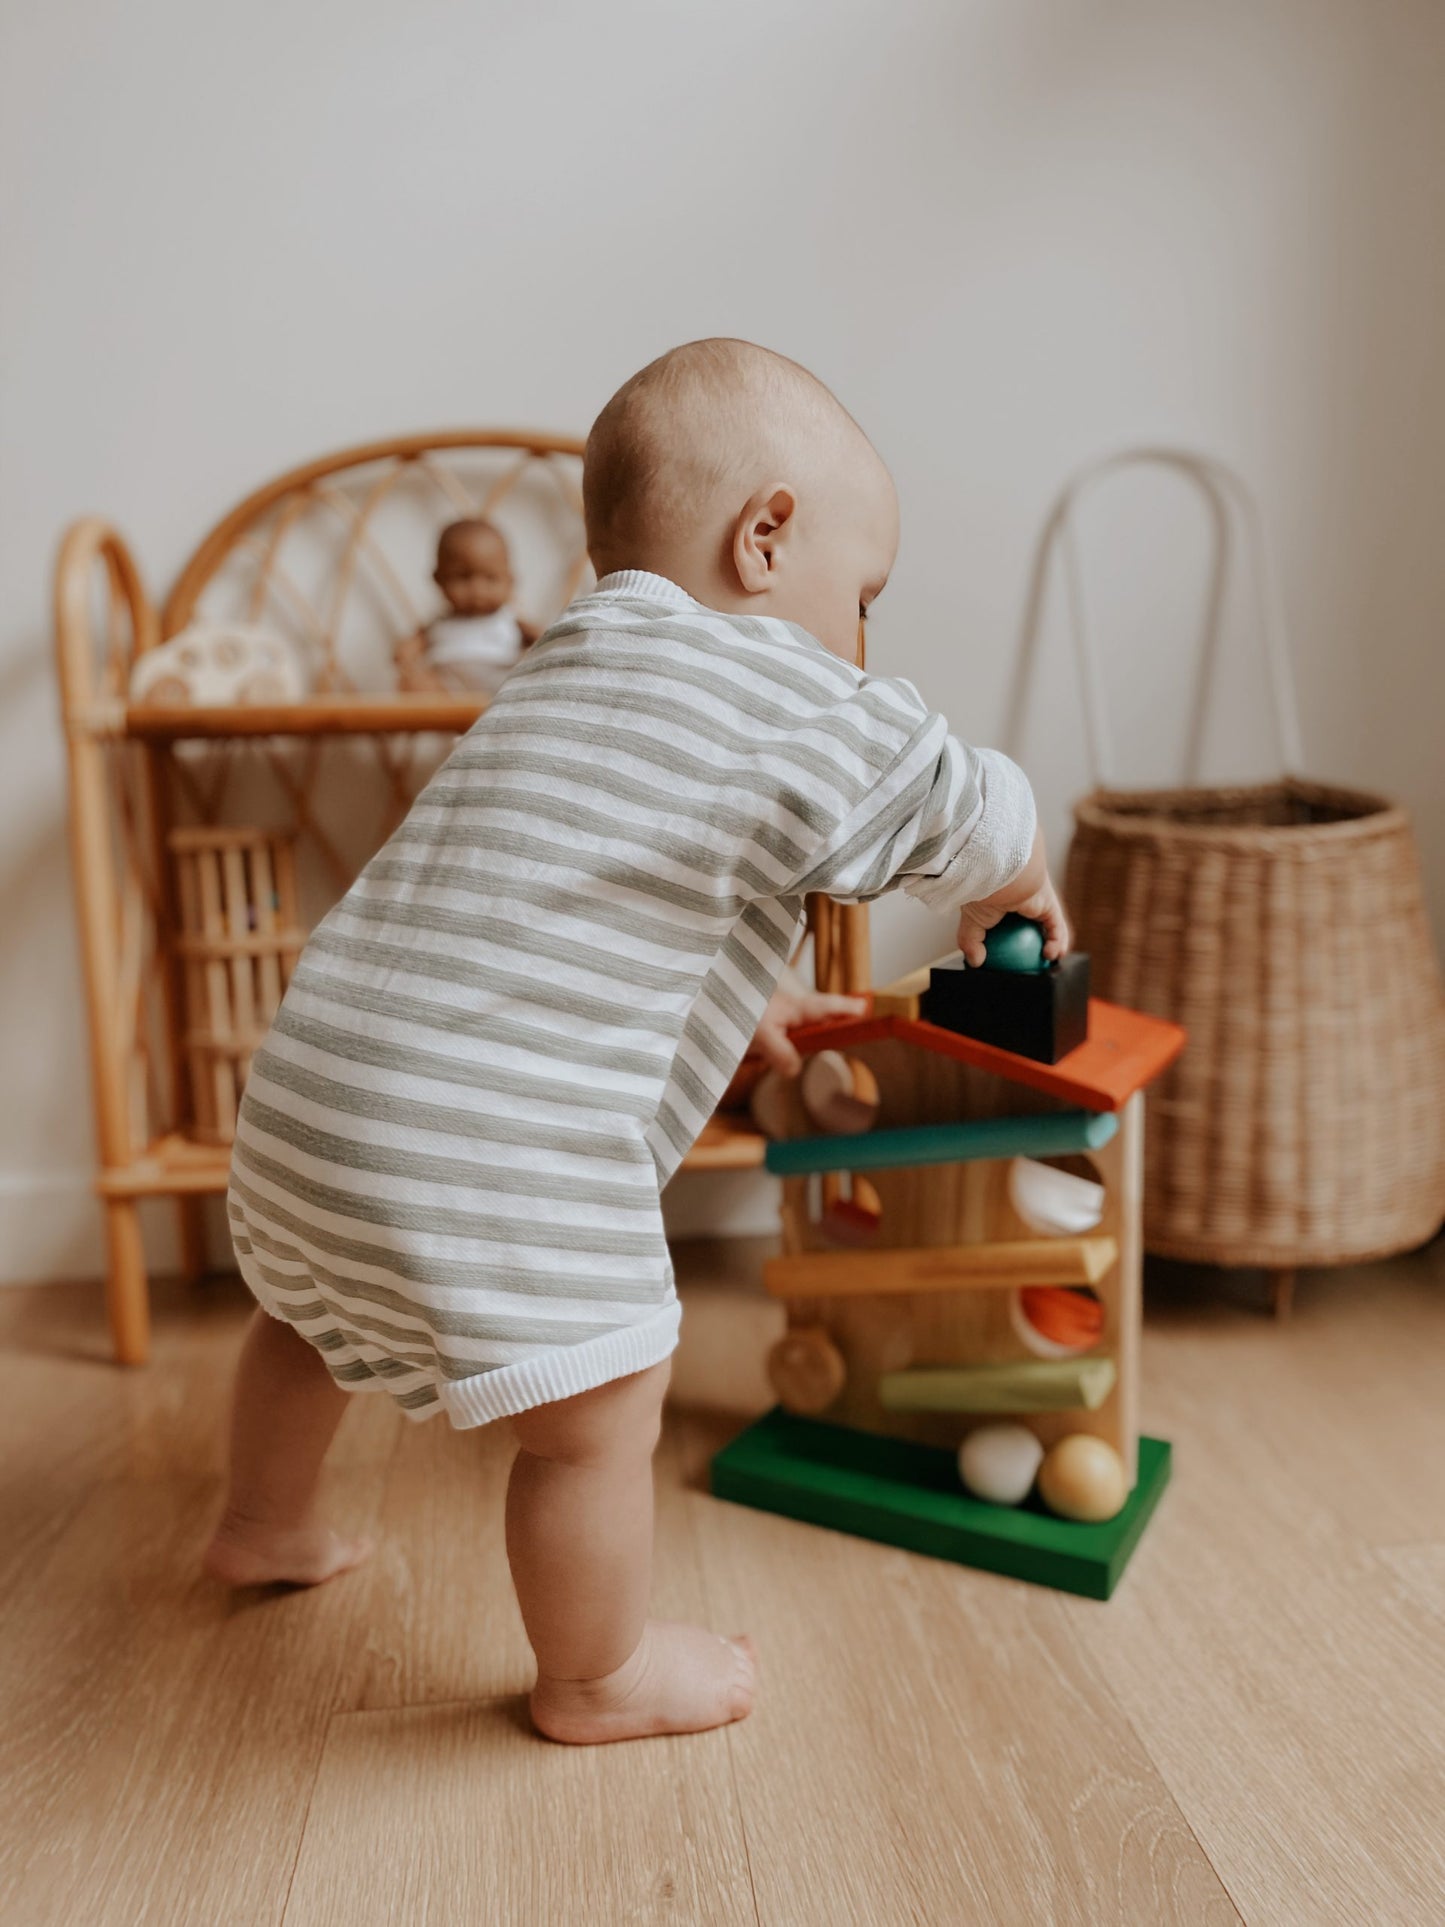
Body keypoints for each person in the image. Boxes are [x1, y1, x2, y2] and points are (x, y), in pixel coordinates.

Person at [208, 338, 1068, 1745]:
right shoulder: (754, 675)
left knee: (308, 1314)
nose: (862, 646)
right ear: (765, 538)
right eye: (863, 601)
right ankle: (595, 1675)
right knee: (602, 1404)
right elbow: (936, 785)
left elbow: (578, 928)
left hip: (310, 1103)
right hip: (471, 1141)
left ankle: (261, 1521)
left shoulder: (565, 673)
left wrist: (748, 1009)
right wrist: (1015, 871)